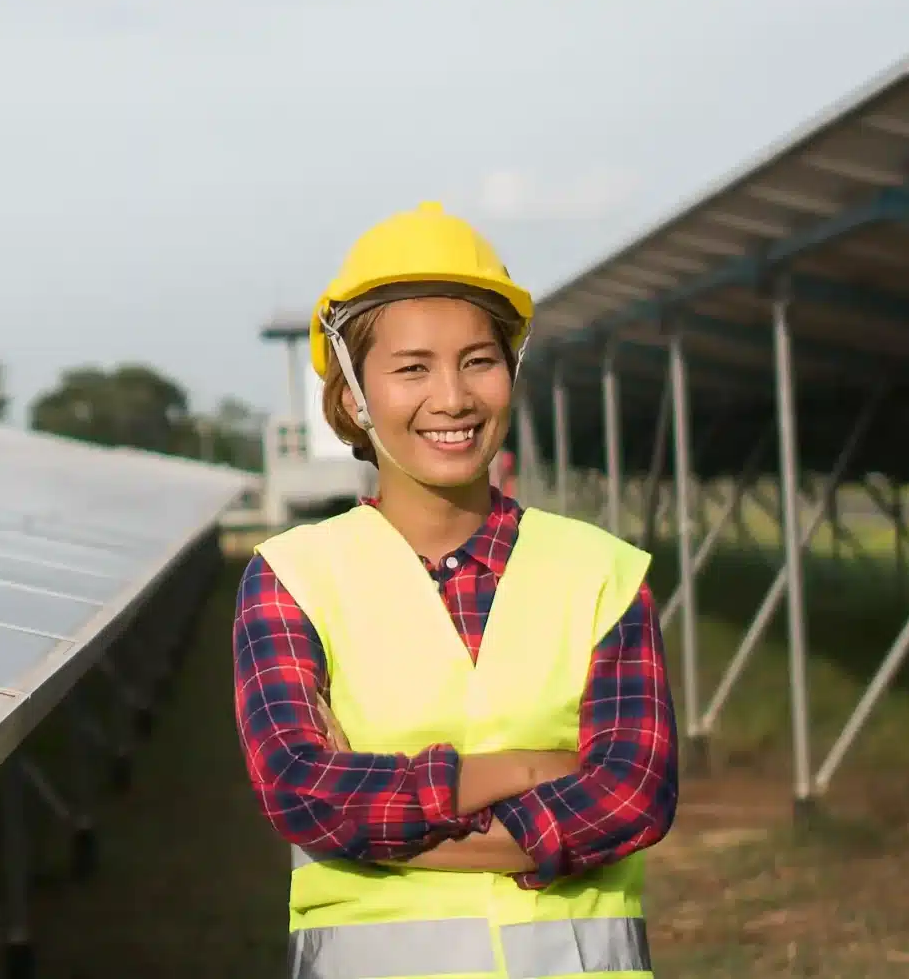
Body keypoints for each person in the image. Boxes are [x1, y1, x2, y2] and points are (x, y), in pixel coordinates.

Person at [233, 201, 679, 978]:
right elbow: (303, 793)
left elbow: (631, 797)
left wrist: (382, 817)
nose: (453, 398)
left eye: (480, 360)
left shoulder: (603, 574)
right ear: (351, 398)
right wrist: (531, 770)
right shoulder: (291, 579)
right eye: (412, 368)